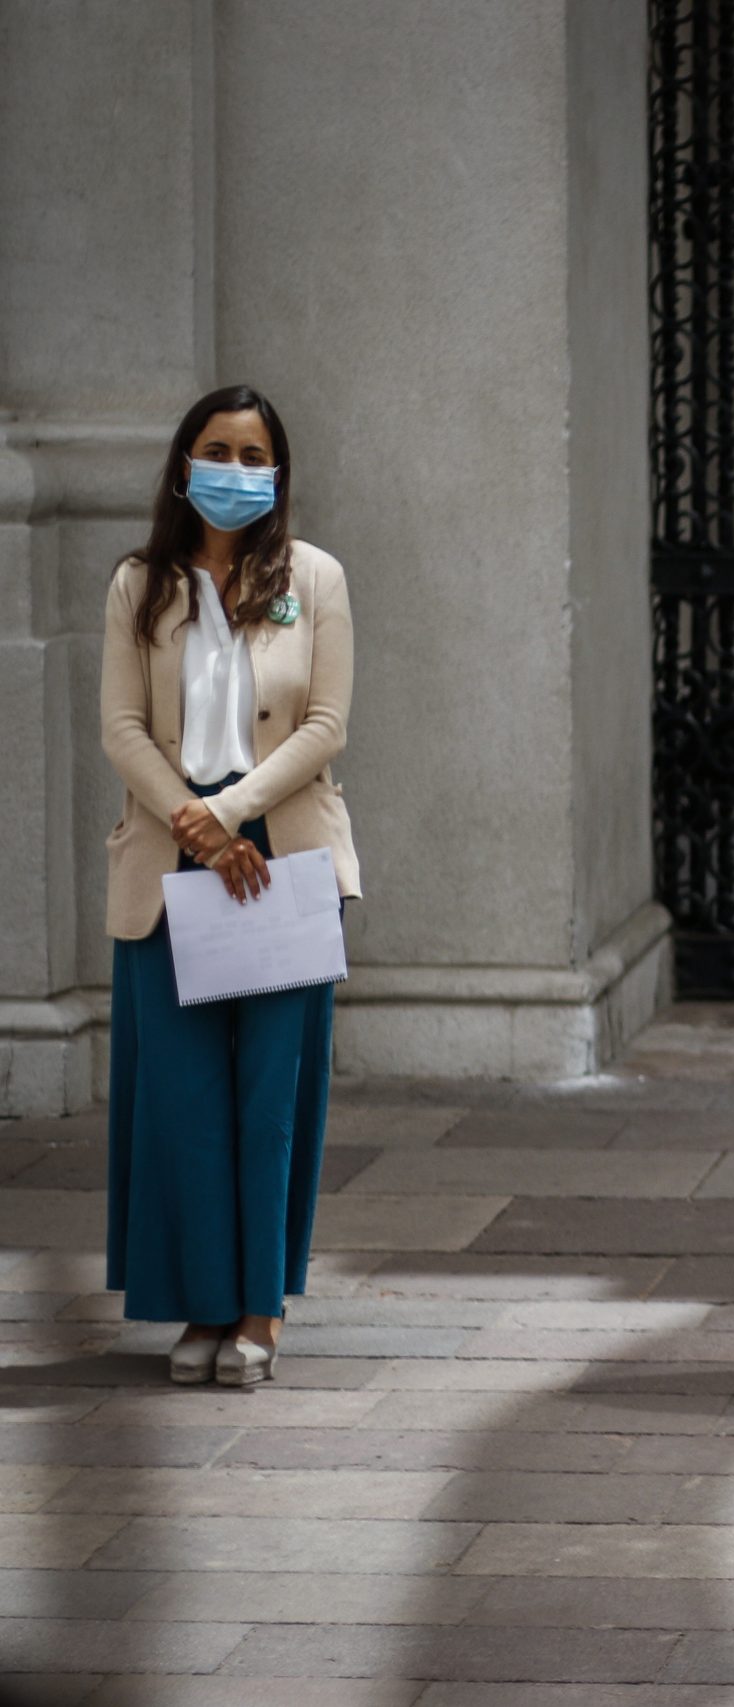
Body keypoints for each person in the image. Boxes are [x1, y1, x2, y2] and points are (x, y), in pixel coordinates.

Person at [100, 384, 360, 1389]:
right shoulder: (139, 585)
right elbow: (121, 728)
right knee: (183, 1099)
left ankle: (261, 1310)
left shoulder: (314, 578)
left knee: (270, 1099)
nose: (237, 472)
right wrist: (195, 827)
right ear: (182, 466)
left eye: (256, 457)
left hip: (280, 859)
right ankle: (203, 1307)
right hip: (171, 862)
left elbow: (326, 724)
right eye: (218, 450)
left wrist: (234, 809)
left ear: (279, 474)